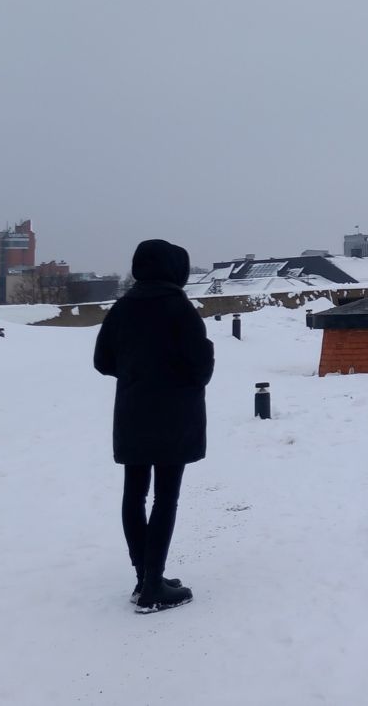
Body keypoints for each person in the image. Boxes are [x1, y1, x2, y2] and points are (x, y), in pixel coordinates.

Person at [93, 239, 215, 613]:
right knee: (165, 497)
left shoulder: (123, 307)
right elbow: (200, 368)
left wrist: (136, 372)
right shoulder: (180, 308)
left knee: (134, 494)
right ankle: (153, 586)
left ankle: (143, 577)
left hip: (133, 412)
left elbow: (102, 360)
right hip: (174, 415)